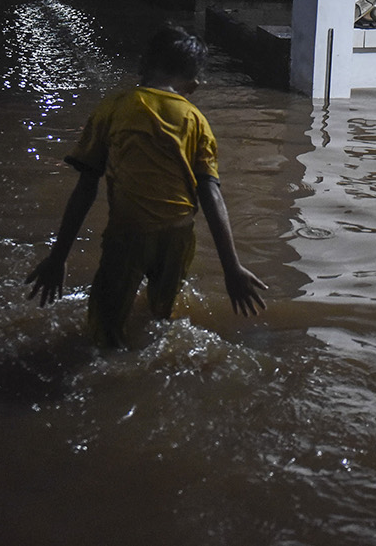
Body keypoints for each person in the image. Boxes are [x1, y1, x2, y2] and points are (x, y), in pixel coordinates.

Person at [25, 24, 267, 346]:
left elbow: (86, 187)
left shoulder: (114, 108)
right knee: (160, 316)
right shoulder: (196, 121)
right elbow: (210, 193)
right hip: (178, 236)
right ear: (194, 84)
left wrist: (59, 257)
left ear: (143, 65)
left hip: (128, 234)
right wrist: (231, 267)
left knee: (104, 327)